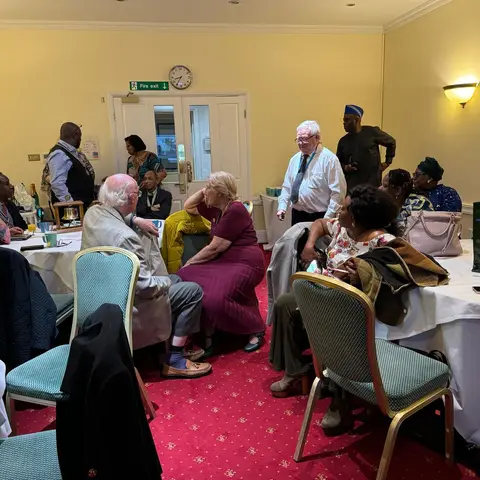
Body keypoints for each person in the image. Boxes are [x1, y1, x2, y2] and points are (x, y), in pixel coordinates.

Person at [269, 185, 400, 434]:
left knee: (335, 319)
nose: (339, 209)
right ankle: (296, 371)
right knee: (284, 303)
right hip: (322, 292)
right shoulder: (342, 227)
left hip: (352, 306)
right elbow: (319, 222)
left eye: (345, 207)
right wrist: (310, 244)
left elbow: (386, 279)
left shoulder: (383, 243)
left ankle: (341, 400)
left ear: (358, 216)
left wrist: (360, 275)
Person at [81, 174, 211, 378]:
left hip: (101, 295)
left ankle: (166, 345)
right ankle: (175, 358)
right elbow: (146, 288)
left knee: (178, 280)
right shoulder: (126, 238)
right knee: (192, 291)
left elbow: (117, 215)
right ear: (130, 199)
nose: (139, 196)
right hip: (129, 306)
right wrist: (165, 280)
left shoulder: (92, 214)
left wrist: (135, 219)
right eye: (137, 194)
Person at [177, 172, 266, 353]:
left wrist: (190, 262)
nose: (205, 191)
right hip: (224, 261)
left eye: (210, 188)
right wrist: (204, 190)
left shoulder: (235, 209)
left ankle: (254, 326)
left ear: (220, 192)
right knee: (183, 276)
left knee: (215, 299)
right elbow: (189, 205)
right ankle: (209, 328)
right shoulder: (217, 209)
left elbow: (216, 247)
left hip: (246, 263)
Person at [277, 121, 346, 226]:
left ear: (317, 138)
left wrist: (327, 218)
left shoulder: (329, 159)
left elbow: (338, 193)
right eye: (298, 139)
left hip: (320, 216)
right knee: (298, 242)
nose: (301, 143)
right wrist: (282, 207)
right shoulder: (294, 159)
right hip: (297, 215)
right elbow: (287, 186)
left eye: (304, 139)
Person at [337, 105, 396, 191]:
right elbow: (337, 163)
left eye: (347, 120)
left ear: (357, 120)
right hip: (353, 187)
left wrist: (387, 162)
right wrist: (346, 167)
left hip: (372, 184)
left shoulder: (371, 132)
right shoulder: (343, 141)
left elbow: (391, 142)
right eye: (344, 120)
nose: (344, 123)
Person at [44, 123, 95, 208]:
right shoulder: (59, 154)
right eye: (80, 136)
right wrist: (70, 203)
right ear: (75, 135)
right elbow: (58, 184)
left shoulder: (72, 152)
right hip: (72, 210)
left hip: (81, 206)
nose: (80, 139)